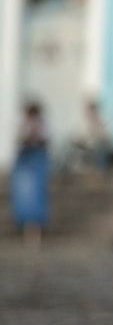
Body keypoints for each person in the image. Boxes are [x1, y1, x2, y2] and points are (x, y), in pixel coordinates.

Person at [10, 101, 51, 245]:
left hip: (36, 162)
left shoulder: (42, 124)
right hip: (25, 162)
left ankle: (36, 230)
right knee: (25, 195)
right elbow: (19, 139)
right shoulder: (23, 124)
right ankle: (26, 228)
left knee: (36, 196)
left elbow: (45, 140)